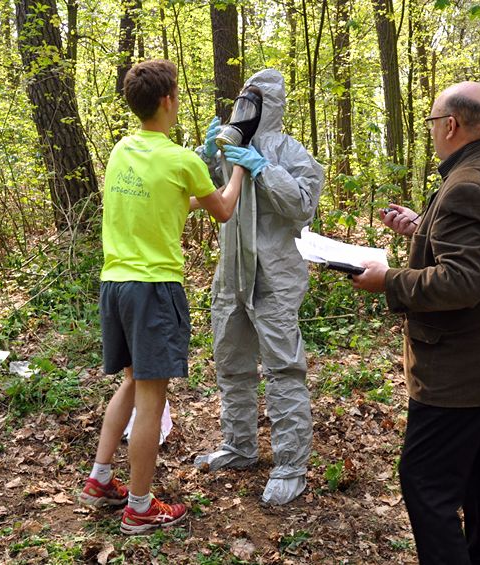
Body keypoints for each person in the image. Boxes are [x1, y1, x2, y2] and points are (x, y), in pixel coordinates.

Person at [351, 81, 480, 564]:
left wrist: (388, 280)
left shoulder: (469, 184)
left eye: (434, 123)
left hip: (464, 375)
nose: (433, 132)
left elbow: (462, 282)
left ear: (451, 125)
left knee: (426, 487)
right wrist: (423, 226)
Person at [78, 59, 247, 535]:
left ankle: (100, 479)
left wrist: (194, 176)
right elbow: (225, 209)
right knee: (152, 396)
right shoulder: (182, 161)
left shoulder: (122, 151)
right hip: (153, 289)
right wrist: (239, 168)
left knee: (132, 383)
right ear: (169, 100)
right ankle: (139, 506)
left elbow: (172, 197)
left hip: (115, 285)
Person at [193, 69, 325, 506]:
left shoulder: (291, 151)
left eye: (256, 100)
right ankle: (239, 447)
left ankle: (290, 466)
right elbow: (206, 193)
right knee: (232, 365)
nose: (247, 106)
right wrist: (207, 155)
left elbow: (302, 206)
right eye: (244, 98)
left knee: (284, 370)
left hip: (274, 276)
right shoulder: (231, 143)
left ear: (272, 106)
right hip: (231, 274)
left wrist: (264, 169)